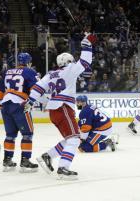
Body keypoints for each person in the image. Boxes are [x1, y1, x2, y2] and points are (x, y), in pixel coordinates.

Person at [27, 33, 97, 180]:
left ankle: (48, 156)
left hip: (54, 110)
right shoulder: (70, 69)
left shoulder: (50, 74)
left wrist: (31, 101)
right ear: (69, 61)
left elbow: (37, 89)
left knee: (69, 138)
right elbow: (85, 61)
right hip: (64, 107)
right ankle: (63, 168)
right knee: (75, 139)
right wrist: (87, 44)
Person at [0, 52, 39, 172]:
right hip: (20, 106)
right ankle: (25, 161)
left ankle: (7, 161)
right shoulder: (30, 72)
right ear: (29, 62)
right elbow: (36, 89)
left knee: (10, 135)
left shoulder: (8, 72)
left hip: (5, 107)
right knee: (27, 134)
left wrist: (1, 101)